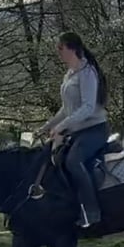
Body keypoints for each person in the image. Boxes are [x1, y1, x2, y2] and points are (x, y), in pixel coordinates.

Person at [38, 32, 109, 228]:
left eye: (60, 48)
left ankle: (91, 211)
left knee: (73, 161)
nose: (58, 52)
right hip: (77, 130)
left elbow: (87, 107)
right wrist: (47, 126)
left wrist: (61, 126)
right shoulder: (70, 73)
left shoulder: (87, 72)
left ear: (72, 48)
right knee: (55, 158)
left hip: (95, 129)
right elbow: (66, 109)